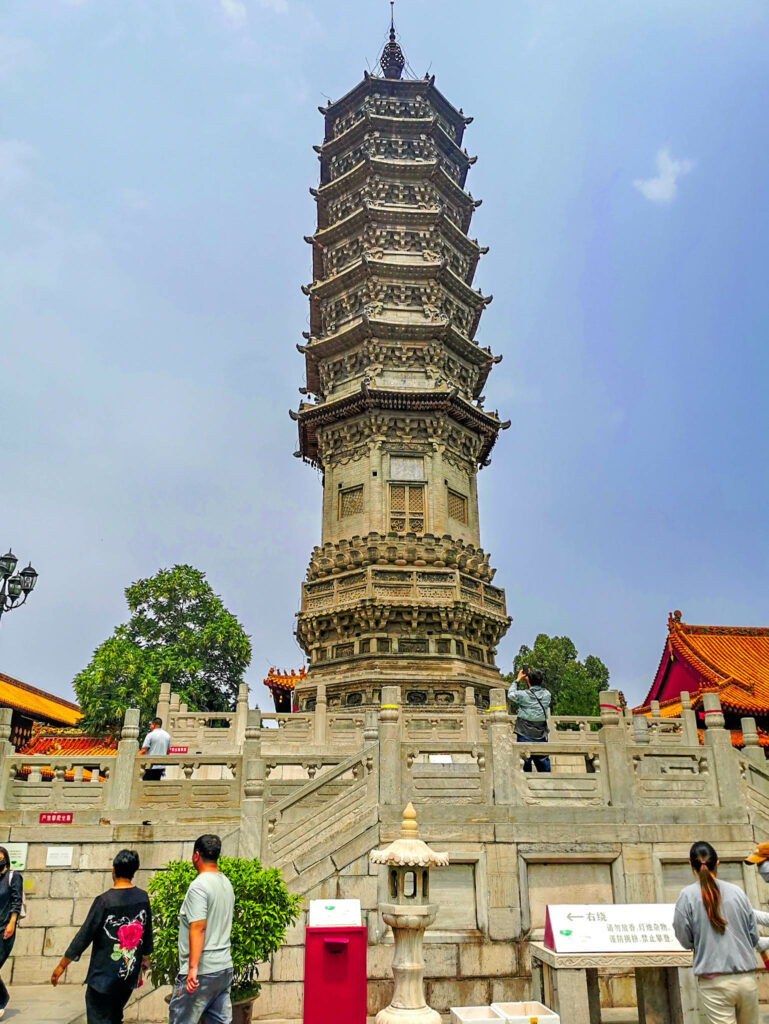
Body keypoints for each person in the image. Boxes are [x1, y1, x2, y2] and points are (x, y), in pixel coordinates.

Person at [51, 849, 152, 1024]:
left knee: (98, 1017)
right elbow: (146, 930)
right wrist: (145, 957)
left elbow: (84, 935)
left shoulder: (105, 901)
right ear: (134, 872)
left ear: (113, 869)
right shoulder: (142, 897)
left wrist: (61, 965)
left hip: (103, 978)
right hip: (127, 975)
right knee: (114, 1016)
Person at [673, 840, 761, 1024]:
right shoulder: (738, 892)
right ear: (717, 863)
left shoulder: (687, 896)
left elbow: (684, 939)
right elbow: (753, 936)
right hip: (746, 979)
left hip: (714, 983)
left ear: (691, 865)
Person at [168, 834, 235, 1024]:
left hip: (202, 972)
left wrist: (192, 969)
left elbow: (198, 927)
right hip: (223, 968)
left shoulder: (199, 886)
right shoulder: (226, 883)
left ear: (196, 855)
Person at [508, 666, 551, 773]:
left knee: (524, 765)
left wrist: (518, 680)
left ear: (529, 680)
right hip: (540, 734)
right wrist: (530, 682)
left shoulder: (523, 695)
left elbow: (511, 694)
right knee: (543, 765)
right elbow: (536, 692)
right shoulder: (547, 695)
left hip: (524, 733)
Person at [0, 846, 22, 1020]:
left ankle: (1, 1000)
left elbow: (16, 900)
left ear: (5, 859)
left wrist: (12, 923)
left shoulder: (13, 877)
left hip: (5, 929)